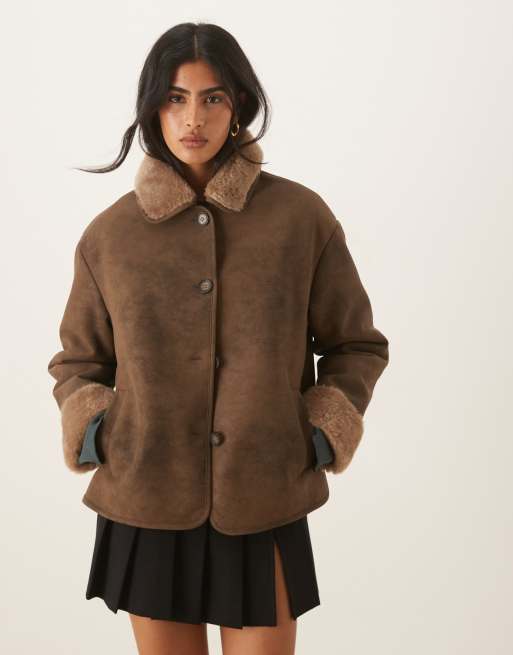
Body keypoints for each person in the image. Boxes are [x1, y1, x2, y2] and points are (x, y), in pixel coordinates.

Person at [47, 21, 389, 655]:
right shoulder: (110, 236)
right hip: (146, 496)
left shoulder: (300, 218)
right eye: (175, 98)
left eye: (213, 98)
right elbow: (78, 362)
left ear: (239, 106)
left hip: (263, 494)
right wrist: (100, 431)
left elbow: (356, 345)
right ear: (153, 108)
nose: (193, 118)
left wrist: (319, 431)